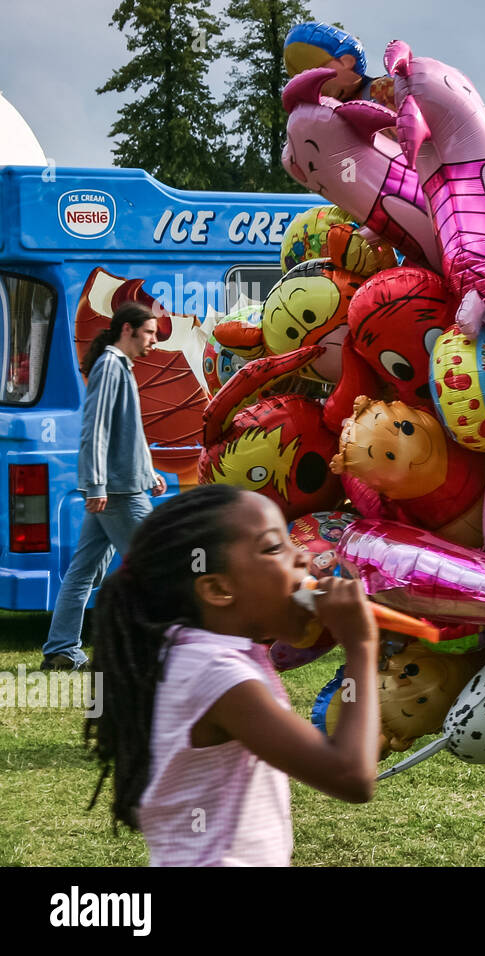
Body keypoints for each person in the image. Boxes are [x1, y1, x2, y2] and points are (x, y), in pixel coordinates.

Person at [84, 485, 380, 866]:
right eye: (275, 548)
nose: (304, 556)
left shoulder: (196, 653)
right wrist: (361, 646)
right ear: (219, 588)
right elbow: (350, 774)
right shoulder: (215, 672)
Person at [42, 303, 166, 671]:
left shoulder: (118, 366)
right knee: (157, 565)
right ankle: (152, 651)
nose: (154, 342)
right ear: (127, 329)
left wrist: (149, 472)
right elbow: (94, 429)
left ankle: (61, 649)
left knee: (83, 570)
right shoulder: (111, 366)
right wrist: (95, 485)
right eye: (150, 333)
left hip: (121, 487)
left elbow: (127, 431)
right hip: (118, 493)